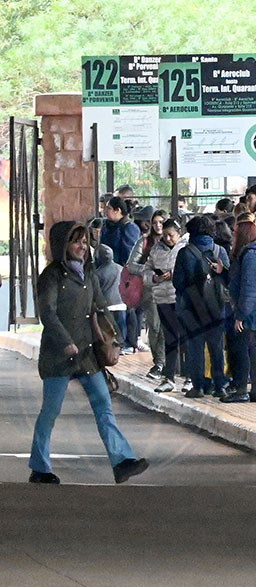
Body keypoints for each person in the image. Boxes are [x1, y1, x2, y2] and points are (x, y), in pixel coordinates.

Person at [30, 221, 148, 485]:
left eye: (84, 241)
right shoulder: (51, 276)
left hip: (87, 355)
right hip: (59, 356)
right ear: (63, 245)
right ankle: (39, 467)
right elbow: (47, 313)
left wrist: (115, 340)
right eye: (76, 241)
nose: (82, 247)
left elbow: (101, 308)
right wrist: (65, 342)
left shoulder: (89, 274)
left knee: (104, 406)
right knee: (50, 412)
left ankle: (122, 461)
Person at [173, 215, 230, 398]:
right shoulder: (220, 250)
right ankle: (219, 385)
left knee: (195, 348)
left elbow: (178, 281)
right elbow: (228, 277)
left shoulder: (185, 252)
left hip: (192, 308)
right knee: (216, 347)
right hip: (216, 308)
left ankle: (198, 387)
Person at [222, 220, 256, 403]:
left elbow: (249, 287)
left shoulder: (251, 255)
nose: (233, 236)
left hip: (251, 307)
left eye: (236, 233)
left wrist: (240, 316)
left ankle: (242, 390)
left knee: (244, 348)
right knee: (251, 348)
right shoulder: (253, 253)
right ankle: (254, 391)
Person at [144, 219, 189, 394]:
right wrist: (155, 278)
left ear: (179, 234)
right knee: (169, 338)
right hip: (162, 298)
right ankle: (168, 377)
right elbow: (146, 271)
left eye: (171, 235)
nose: (168, 238)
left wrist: (175, 275)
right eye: (165, 235)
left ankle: (189, 377)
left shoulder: (185, 249)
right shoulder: (156, 250)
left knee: (185, 338)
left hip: (181, 298)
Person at [127, 209, 168, 379]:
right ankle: (159, 361)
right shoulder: (144, 242)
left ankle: (167, 361)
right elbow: (131, 265)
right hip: (150, 290)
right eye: (156, 222)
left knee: (168, 327)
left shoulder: (176, 242)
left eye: (162, 222)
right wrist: (149, 271)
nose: (159, 226)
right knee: (155, 326)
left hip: (171, 290)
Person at [101, 196, 142, 353]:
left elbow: (130, 253)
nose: (105, 211)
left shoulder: (129, 228)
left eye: (108, 208)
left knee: (126, 308)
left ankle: (129, 341)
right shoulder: (107, 225)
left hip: (123, 273)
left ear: (118, 211)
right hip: (108, 271)